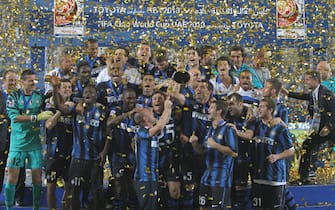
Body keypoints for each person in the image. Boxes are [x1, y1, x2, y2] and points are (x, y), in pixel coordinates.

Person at [5, 69, 54, 210]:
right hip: (18, 144)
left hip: (34, 144)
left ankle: (36, 208)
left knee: (37, 178)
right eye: (31, 81)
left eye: (35, 80)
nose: (34, 83)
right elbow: (14, 117)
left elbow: (49, 107)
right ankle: (9, 208)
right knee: (12, 178)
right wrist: (36, 117)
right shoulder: (13, 96)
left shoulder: (39, 96)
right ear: (22, 82)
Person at [283, 71, 335, 184]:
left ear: (315, 80)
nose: (305, 82)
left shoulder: (326, 93)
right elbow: (305, 96)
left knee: (309, 146)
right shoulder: (314, 92)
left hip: (330, 128)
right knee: (307, 145)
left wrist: (328, 127)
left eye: (307, 80)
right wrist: (288, 93)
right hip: (320, 129)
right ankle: (303, 177)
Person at [190, 100, 238, 210]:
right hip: (207, 175)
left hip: (221, 177)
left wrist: (216, 145)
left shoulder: (228, 129)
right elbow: (203, 151)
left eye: (211, 108)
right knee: (204, 206)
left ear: (219, 111)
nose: (208, 110)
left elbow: (234, 152)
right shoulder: (210, 129)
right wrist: (194, 143)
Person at [69, 85, 109, 210]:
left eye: (91, 92)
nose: (88, 94)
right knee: (75, 190)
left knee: (96, 191)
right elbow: (61, 105)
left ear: (96, 96)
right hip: (78, 158)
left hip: (95, 158)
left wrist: (104, 152)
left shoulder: (103, 111)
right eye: (85, 92)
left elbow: (109, 134)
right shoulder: (76, 109)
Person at [251, 98, 295, 210]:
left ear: (270, 110)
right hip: (258, 177)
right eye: (258, 106)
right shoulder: (256, 126)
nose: (259, 109)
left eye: (262, 107)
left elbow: (291, 150)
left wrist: (277, 156)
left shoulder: (280, 129)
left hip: (275, 178)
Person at [133, 97, 173, 210]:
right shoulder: (142, 131)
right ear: (145, 118)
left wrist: (168, 106)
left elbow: (163, 122)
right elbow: (160, 126)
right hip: (144, 178)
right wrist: (167, 107)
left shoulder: (150, 131)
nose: (153, 112)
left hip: (152, 177)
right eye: (150, 112)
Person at [106, 88, 140, 209]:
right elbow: (109, 123)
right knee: (118, 182)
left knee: (132, 183)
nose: (131, 101)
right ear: (122, 99)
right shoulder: (116, 110)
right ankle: (119, 206)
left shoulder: (140, 112)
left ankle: (133, 206)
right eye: (128, 98)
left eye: (133, 98)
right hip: (117, 153)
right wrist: (126, 115)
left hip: (133, 154)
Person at [44, 79, 74, 210]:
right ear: (59, 90)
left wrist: (67, 107)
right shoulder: (49, 105)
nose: (67, 89)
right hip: (53, 153)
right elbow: (49, 125)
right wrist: (60, 111)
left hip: (70, 152)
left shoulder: (74, 106)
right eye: (64, 87)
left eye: (70, 87)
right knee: (51, 188)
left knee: (69, 188)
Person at [226, 93, 256, 209]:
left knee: (240, 191)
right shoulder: (227, 114)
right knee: (229, 191)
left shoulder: (249, 118)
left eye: (232, 104)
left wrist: (235, 131)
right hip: (228, 159)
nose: (229, 107)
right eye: (228, 104)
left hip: (243, 158)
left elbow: (249, 136)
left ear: (240, 104)